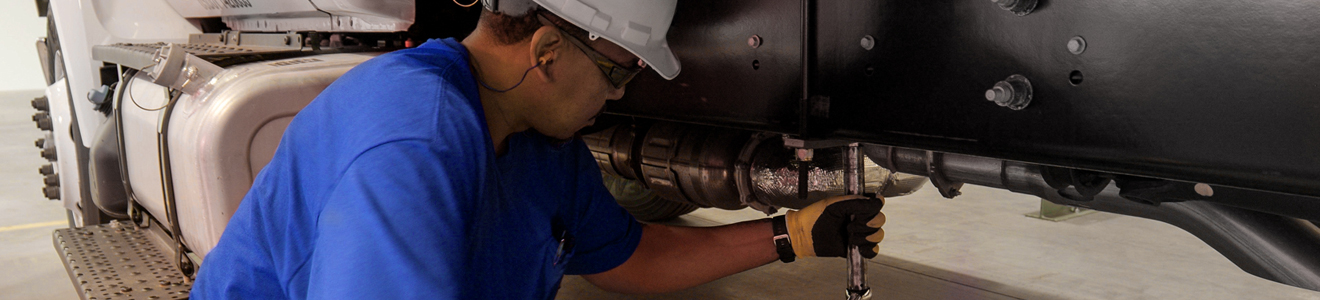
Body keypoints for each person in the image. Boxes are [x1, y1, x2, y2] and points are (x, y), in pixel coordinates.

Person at [191, 0, 886, 299]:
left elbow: (628, 255)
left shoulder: (539, 146)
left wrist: (790, 234)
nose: (618, 97)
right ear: (548, 51)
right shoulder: (412, 139)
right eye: (618, 71)